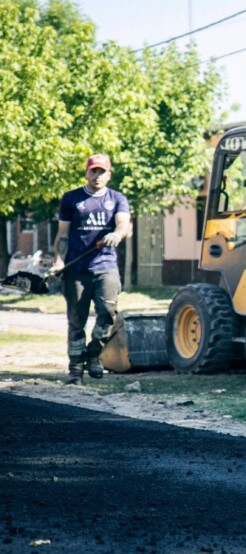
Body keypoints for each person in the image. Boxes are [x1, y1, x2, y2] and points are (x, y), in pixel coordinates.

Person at [51, 154, 132, 385]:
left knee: (108, 313)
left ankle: (94, 352)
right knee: (77, 320)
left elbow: (123, 223)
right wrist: (58, 260)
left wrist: (117, 234)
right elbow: (63, 234)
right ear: (86, 173)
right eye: (93, 171)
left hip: (105, 265)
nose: (97, 176)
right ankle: (75, 369)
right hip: (76, 269)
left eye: (102, 171)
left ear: (109, 174)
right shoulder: (71, 199)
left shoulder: (117, 198)